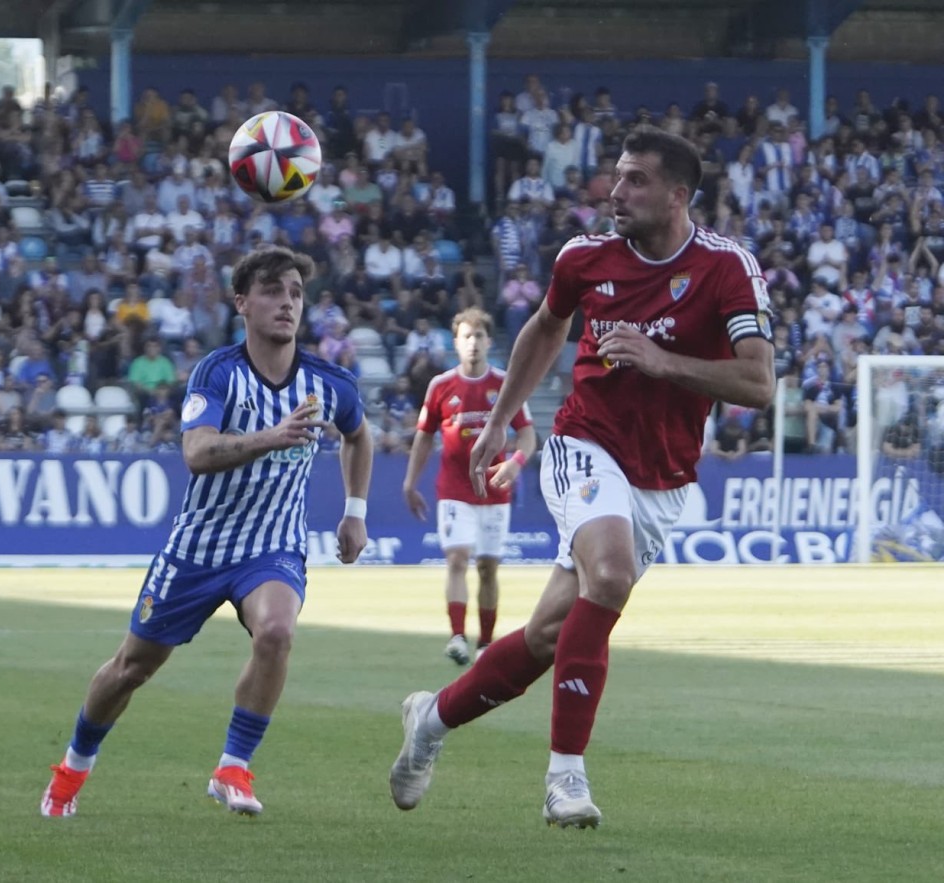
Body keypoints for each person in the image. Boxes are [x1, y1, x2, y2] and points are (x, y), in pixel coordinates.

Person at [388, 127, 774, 830]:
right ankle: (565, 777)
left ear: (678, 195)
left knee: (548, 634)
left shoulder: (727, 268)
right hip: (584, 442)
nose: (615, 192)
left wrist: (661, 361)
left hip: (664, 474)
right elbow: (546, 327)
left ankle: (431, 718)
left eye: (635, 180)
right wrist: (501, 419)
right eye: (616, 176)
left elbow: (758, 382)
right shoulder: (584, 257)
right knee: (612, 573)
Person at [40, 246, 374, 819]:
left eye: (296, 292)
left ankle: (233, 767)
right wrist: (272, 436)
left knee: (277, 631)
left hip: (272, 545)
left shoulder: (329, 382)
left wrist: (356, 510)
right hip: (198, 548)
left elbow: (359, 435)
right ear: (241, 302)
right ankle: (72, 769)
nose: (288, 303)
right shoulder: (219, 373)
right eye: (273, 290)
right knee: (131, 668)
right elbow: (196, 452)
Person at [403, 308, 536, 665]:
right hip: (454, 489)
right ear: (455, 343)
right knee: (457, 559)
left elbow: (527, 435)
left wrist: (515, 462)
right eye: (466, 336)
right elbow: (424, 437)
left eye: (479, 336)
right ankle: (458, 636)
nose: (473, 343)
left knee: (488, 567)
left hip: (494, 489)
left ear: (489, 341)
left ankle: (486, 644)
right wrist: (410, 482)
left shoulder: (506, 384)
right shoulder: (440, 386)